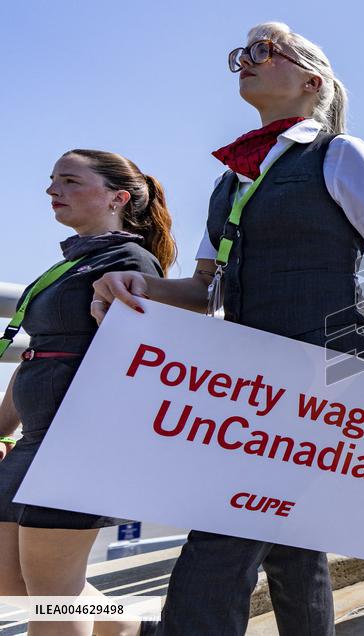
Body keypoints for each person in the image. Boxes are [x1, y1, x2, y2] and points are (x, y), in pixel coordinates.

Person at [93, 23, 364, 636]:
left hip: (321, 371)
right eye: (241, 54)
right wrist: (140, 287)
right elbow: (201, 289)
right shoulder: (231, 180)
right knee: (296, 552)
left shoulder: (339, 153)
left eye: (263, 51)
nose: (245, 61)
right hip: (249, 379)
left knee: (219, 546)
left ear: (310, 81)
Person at [0, 149, 175, 636]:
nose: (53, 190)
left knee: (52, 597)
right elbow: (42, 353)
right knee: (10, 581)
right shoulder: (75, 261)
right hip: (36, 440)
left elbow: (145, 359)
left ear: (117, 197)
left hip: (78, 442)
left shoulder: (131, 260)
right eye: (53, 180)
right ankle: (135, 624)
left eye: (70, 181)